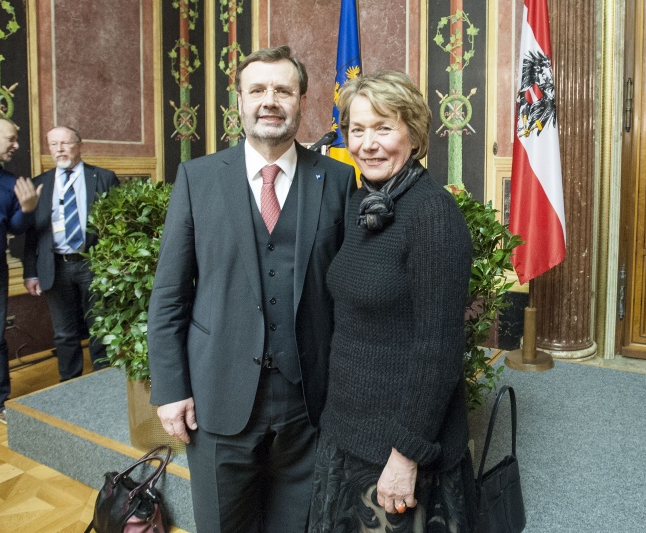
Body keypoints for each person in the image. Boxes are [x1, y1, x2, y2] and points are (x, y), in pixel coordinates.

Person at [147, 45, 356, 532]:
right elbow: (170, 295)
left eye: (283, 90)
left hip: (309, 404)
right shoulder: (198, 178)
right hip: (217, 397)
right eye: (257, 90)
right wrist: (171, 390)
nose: (270, 100)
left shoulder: (340, 180)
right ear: (238, 101)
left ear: (302, 101)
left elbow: (349, 298)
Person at [308, 71, 477, 532]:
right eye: (356, 130)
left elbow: (438, 352)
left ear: (414, 134)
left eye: (383, 128)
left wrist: (406, 456)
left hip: (398, 448)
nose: (367, 143)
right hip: (347, 430)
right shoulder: (364, 202)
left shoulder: (432, 216)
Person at [23, 126, 119, 381]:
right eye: (54, 144)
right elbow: (32, 234)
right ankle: (69, 383)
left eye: (65, 143)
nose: (60, 149)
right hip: (55, 265)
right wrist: (30, 273)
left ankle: (103, 379)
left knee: (99, 326)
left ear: (79, 145)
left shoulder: (104, 178)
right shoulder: (39, 183)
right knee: (64, 333)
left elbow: (117, 226)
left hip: (93, 264)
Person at [0, 117, 42, 424]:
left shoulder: (11, 183)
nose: (16, 145)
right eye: (11, 138)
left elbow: (17, 228)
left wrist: (28, 210)